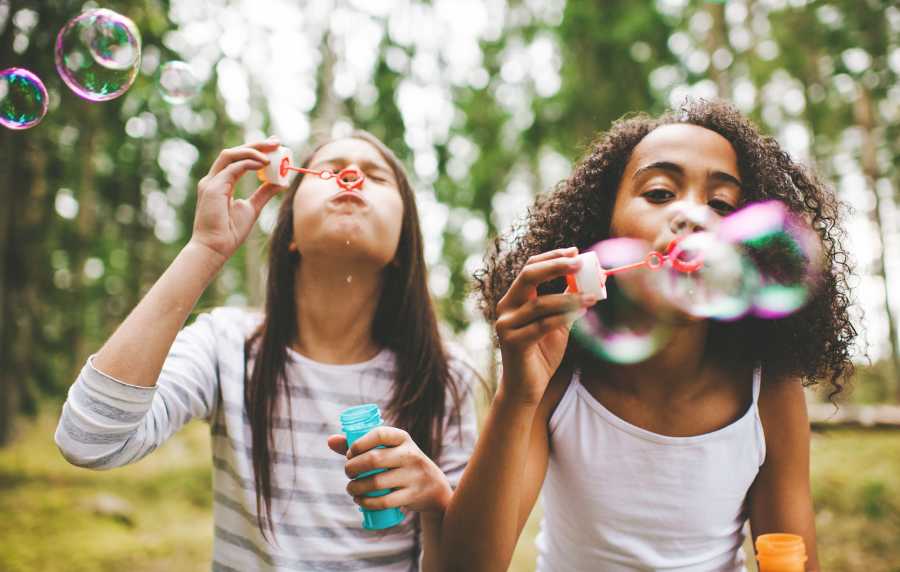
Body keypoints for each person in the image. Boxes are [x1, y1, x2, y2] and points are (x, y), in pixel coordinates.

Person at [439, 99, 854, 571]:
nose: (692, 216)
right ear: (603, 223)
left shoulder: (767, 389)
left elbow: (788, 558)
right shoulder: (561, 374)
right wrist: (517, 394)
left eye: (721, 204)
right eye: (659, 193)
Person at [55, 130, 477, 571]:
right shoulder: (227, 345)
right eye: (330, 170)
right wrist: (204, 250)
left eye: (375, 176)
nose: (350, 176)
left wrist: (437, 501)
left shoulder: (444, 374)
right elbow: (89, 441)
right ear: (290, 231)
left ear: (401, 244)